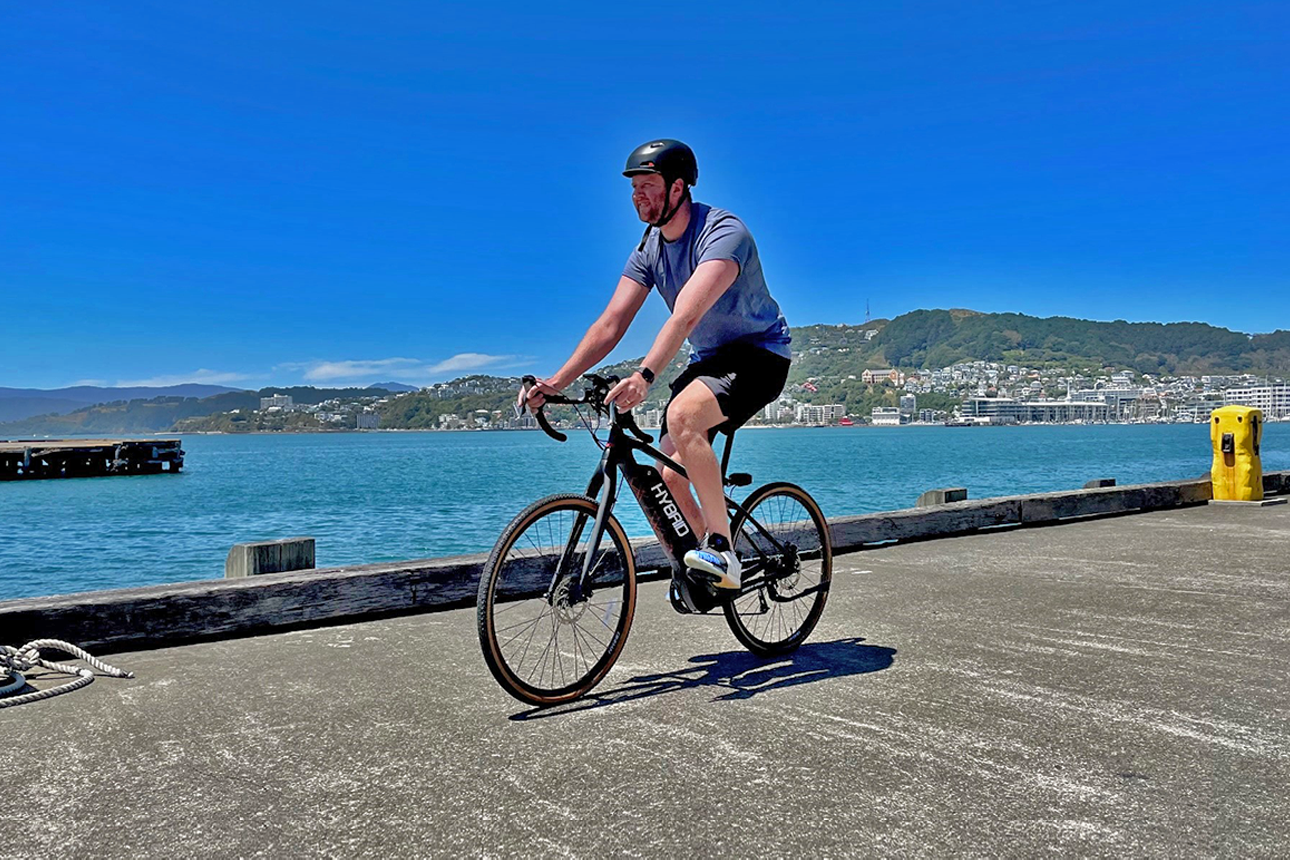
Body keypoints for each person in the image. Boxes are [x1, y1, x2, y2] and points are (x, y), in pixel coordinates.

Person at [521, 139, 791, 589]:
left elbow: (686, 313)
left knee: (683, 415)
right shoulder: (649, 249)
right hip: (709, 361)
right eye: (633, 189)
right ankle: (708, 567)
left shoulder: (724, 234)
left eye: (648, 186)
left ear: (679, 188)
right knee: (666, 473)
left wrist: (645, 376)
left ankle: (723, 551)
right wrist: (555, 382)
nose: (637, 196)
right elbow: (611, 323)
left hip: (759, 357)